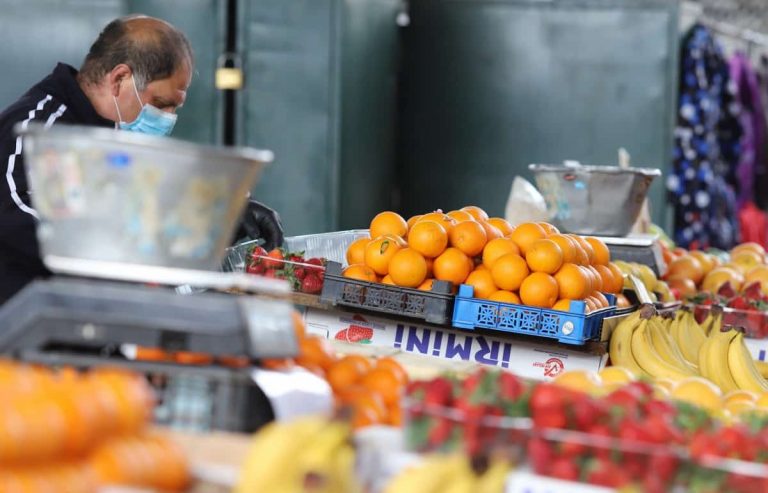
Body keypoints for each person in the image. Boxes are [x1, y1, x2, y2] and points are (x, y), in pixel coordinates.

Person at [0, 15, 283, 305]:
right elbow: (15, 213)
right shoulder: (38, 129)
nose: (168, 118)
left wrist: (221, 213)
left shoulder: (108, 129)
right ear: (120, 78)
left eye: (175, 107)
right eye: (161, 104)